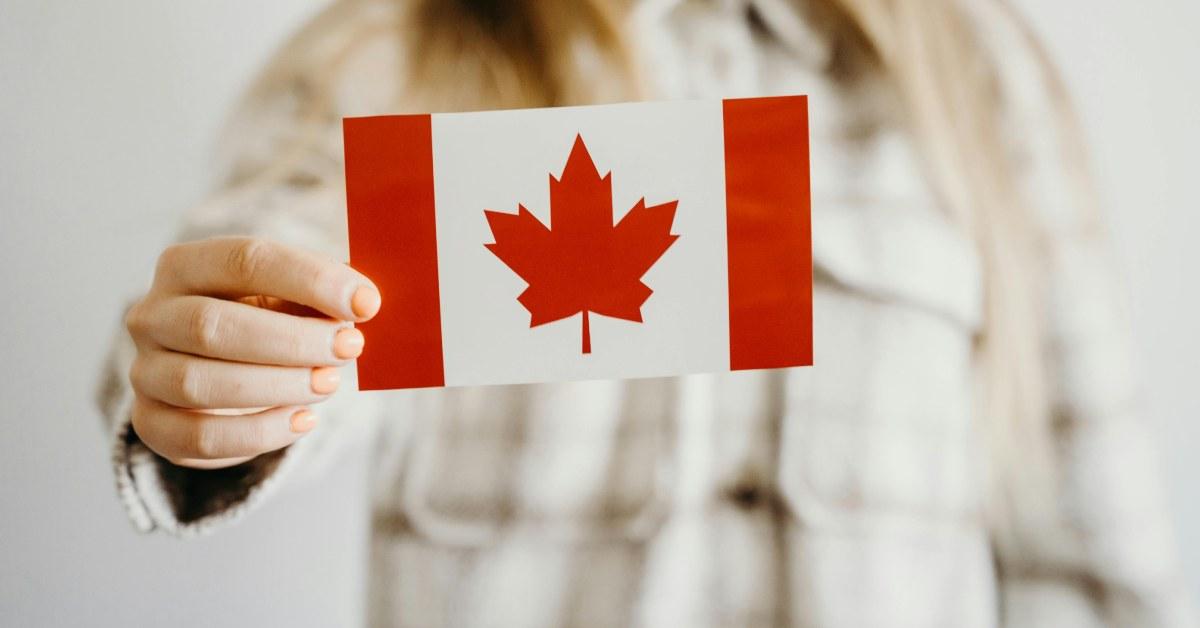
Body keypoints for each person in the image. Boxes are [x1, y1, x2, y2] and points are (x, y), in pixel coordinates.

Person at [98, 0, 1197, 626]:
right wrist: (223, 368)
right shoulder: (387, 58)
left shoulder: (975, 80)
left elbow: (1090, 555)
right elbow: (273, 263)